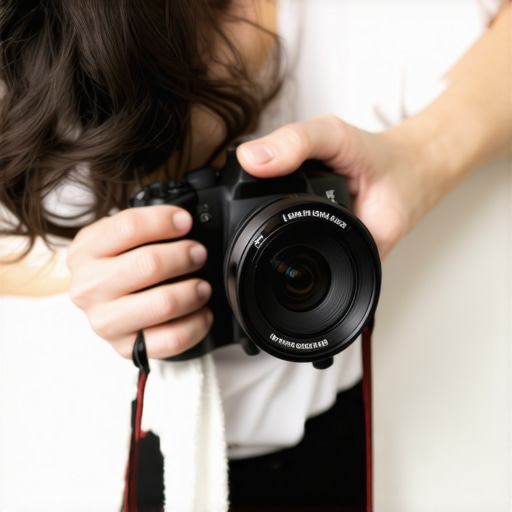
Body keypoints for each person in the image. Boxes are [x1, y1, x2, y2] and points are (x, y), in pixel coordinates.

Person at [1, 0, 511, 510]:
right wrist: (80, 276)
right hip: (139, 439)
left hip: (338, 418)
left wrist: (421, 158)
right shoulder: (41, 75)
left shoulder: (372, 24)